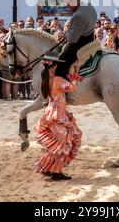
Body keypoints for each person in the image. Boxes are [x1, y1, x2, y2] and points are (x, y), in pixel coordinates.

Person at [35, 51, 82, 181]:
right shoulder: (58, 80)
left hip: (51, 113)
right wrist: (75, 76)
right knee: (61, 143)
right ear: (54, 66)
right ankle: (55, 172)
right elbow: (72, 88)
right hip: (58, 114)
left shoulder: (45, 79)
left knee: (57, 143)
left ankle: (47, 168)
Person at [55, 0, 97, 78]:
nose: (67, 5)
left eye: (68, 3)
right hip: (90, 38)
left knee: (60, 62)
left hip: (80, 44)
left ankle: (63, 85)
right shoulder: (89, 6)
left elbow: (72, 39)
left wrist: (65, 34)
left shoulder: (77, 15)